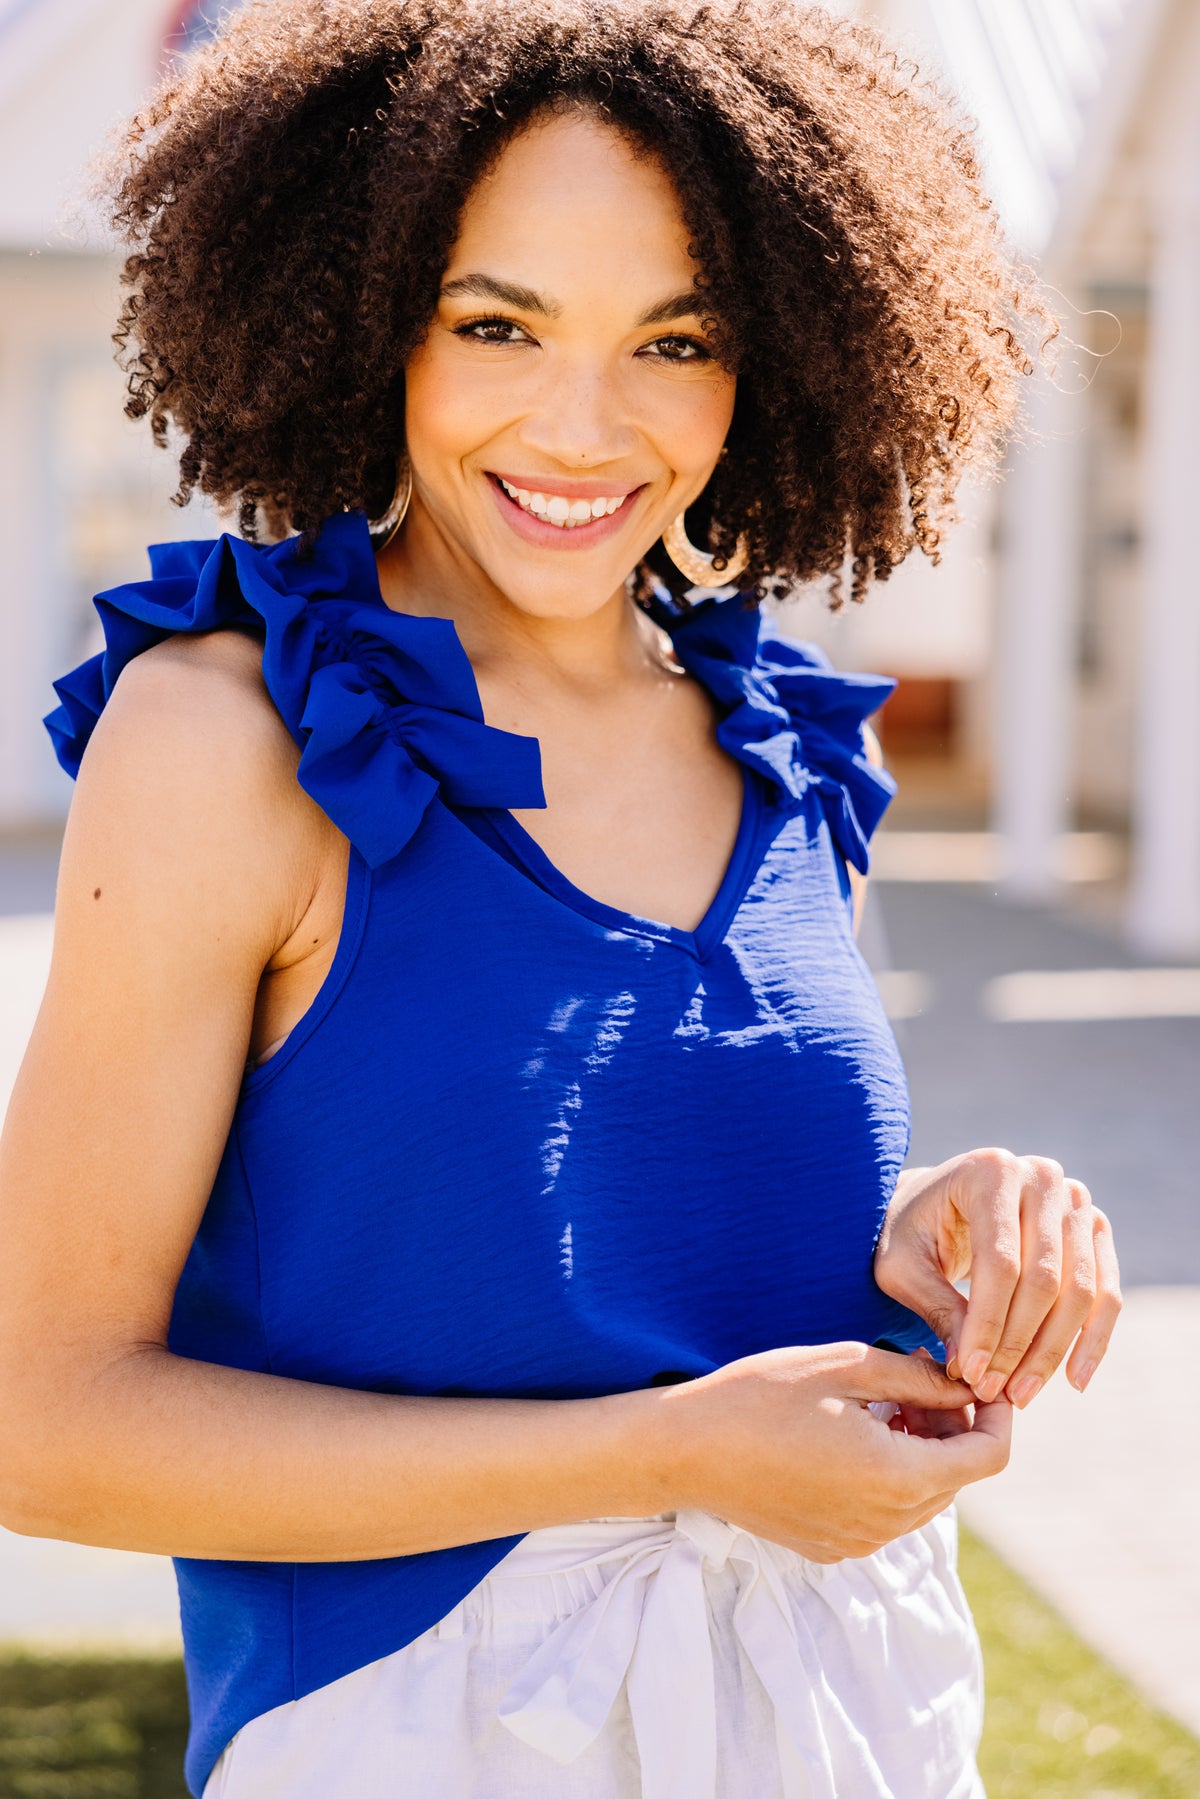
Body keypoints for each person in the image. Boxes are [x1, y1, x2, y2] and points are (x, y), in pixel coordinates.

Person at [0, 3, 1122, 1795]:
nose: (585, 428)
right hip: (425, 1739)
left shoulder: (776, 747)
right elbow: (43, 1427)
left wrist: (929, 1225)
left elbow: (562, 1225)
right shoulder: (230, 740)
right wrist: (667, 1457)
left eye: (673, 340)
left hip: (835, 1717)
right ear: (369, 328)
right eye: (496, 324)